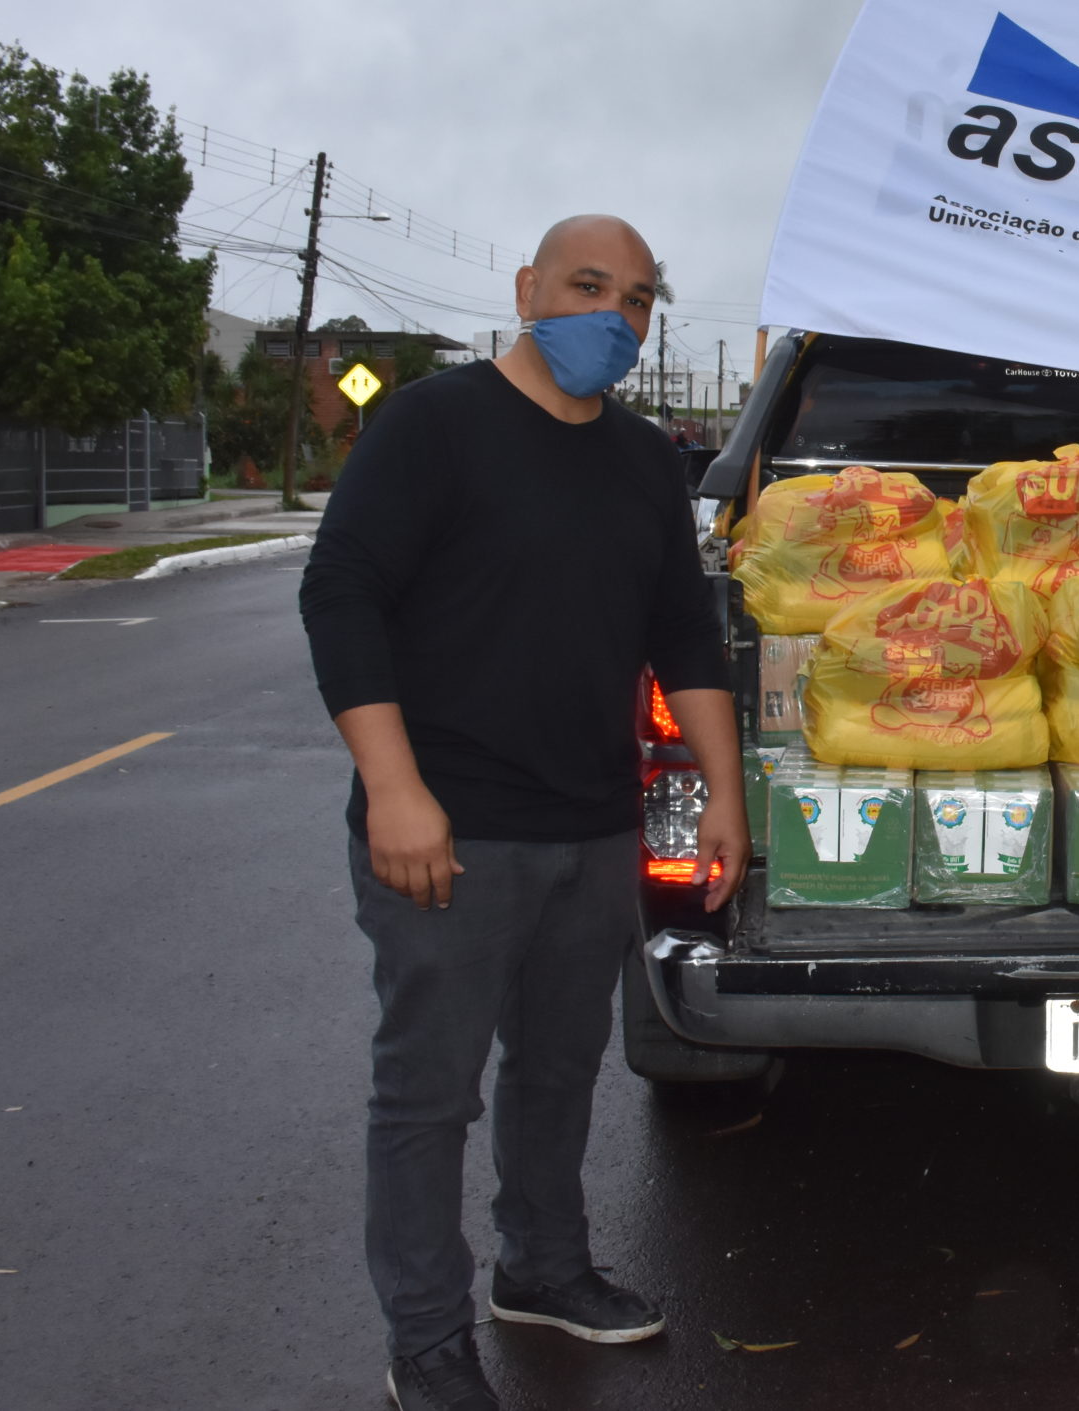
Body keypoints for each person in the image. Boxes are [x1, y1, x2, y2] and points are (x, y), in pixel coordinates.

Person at [300, 216, 750, 1411]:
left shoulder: (647, 460)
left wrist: (721, 795)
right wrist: (394, 791)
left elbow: (683, 636)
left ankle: (542, 1271)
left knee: (559, 1069)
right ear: (528, 289)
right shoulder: (432, 427)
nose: (616, 316)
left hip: (591, 827)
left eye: (641, 299)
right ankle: (427, 1335)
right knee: (428, 1091)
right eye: (589, 287)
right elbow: (340, 595)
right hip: (445, 831)